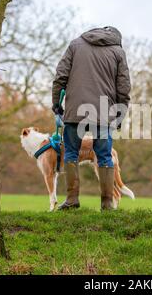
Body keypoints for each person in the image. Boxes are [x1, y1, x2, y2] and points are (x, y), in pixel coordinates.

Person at [52, 26, 131, 211]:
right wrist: (120, 114)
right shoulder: (118, 52)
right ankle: (107, 204)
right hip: (104, 113)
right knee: (104, 155)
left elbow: (60, 77)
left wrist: (57, 104)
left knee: (71, 152)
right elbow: (124, 87)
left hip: (75, 110)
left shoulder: (75, 45)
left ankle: (71, 200)